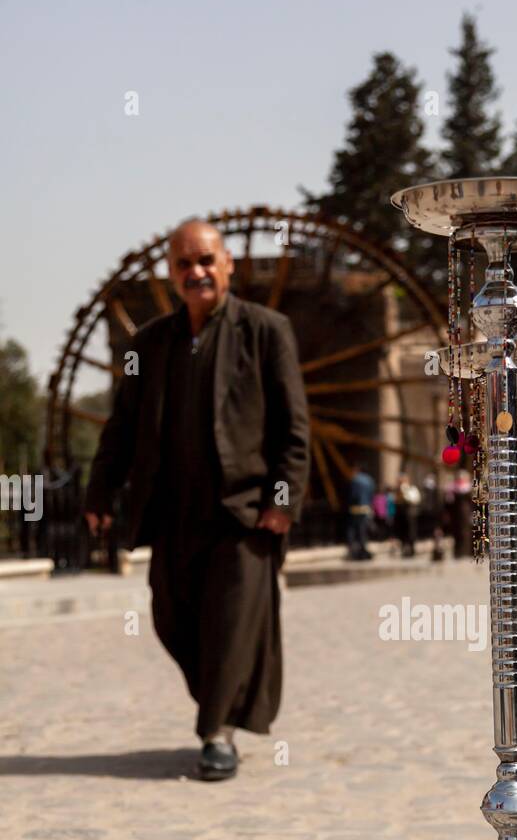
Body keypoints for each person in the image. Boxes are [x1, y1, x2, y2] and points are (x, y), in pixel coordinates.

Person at [84, 217, 310, 781]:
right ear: (171, 272)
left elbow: (293, 427)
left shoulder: (266, 331)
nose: (197, 272)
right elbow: (123, 425)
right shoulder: (149, 344)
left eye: (206, 260)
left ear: (227, 263)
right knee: (170, 618)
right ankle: (222, 703)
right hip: (172, 516)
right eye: (184, 263)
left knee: (232, 624)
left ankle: (217, 734)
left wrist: (282, 498)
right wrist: (99, 489)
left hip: (243, 513)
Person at [346, 462, 375, 560]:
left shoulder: (355, 480)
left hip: (355, 508)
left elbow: (353, 495)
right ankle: (363, 549)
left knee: (353, 530)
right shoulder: (369, 480)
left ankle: (354, 550)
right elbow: (372, 495)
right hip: (366, 508)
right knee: (363, 530)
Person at [394, 472, 421, 557]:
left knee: (411, 532)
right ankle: (404, 549)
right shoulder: (398, 490)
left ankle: (412, 549)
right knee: (402, 532)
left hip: (410, 514)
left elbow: (415, 499)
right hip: (401, 514)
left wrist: (405, 493)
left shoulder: (412, 489)